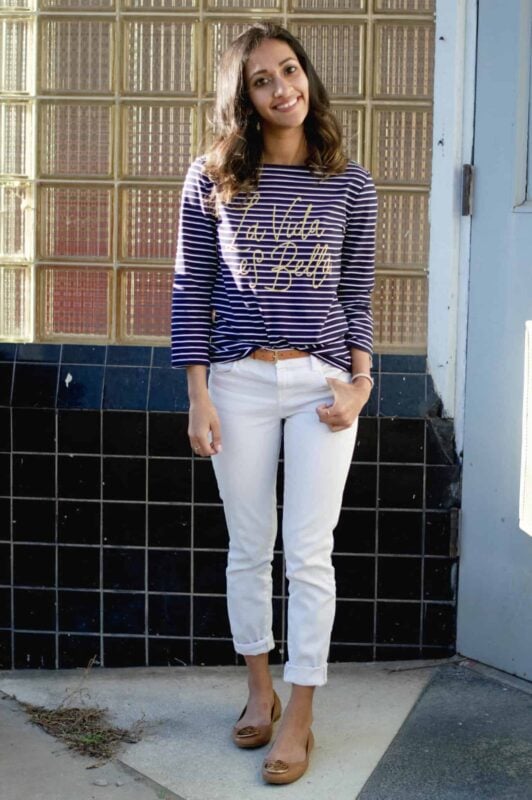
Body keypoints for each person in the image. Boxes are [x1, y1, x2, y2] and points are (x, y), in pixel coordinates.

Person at [171, 20, 377, 785]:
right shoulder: (210, 179)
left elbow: (357, 296)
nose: (283, 88)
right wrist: (198, 395)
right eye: (262, 79)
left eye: (289, 70)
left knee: (310, 551)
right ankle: (259, 690)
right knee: (250, 546)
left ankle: (301, 712)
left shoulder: (350, 184)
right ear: (245, 98)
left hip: (323, 382)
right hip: (238, 382)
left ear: (306, 76)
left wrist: (361, 385)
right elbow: (191, 291)